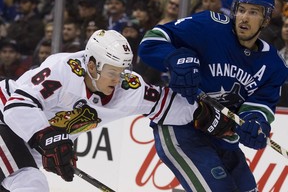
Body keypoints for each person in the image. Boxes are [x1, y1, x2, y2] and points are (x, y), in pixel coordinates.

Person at [0, 29, 200, 192]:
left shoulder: (129, 88)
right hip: (4, 115)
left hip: (28, 145)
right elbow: (17, 105)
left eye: (122, 71)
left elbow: (166, 104)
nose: (117, 79)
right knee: (29, 183)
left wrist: (203, 114)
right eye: (112, 72)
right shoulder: (62, 71)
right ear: (92, 66)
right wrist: (48, 138)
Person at [138, 0, 288, 191]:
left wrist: (255, 124)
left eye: (253, 12)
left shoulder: (273, 65)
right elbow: (152, 41)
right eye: (241, 9)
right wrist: (174, 58)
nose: (244, 17)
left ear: (266, 19)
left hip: (222, 138)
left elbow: (259, 105)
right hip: (181, 127)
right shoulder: (209, 26)